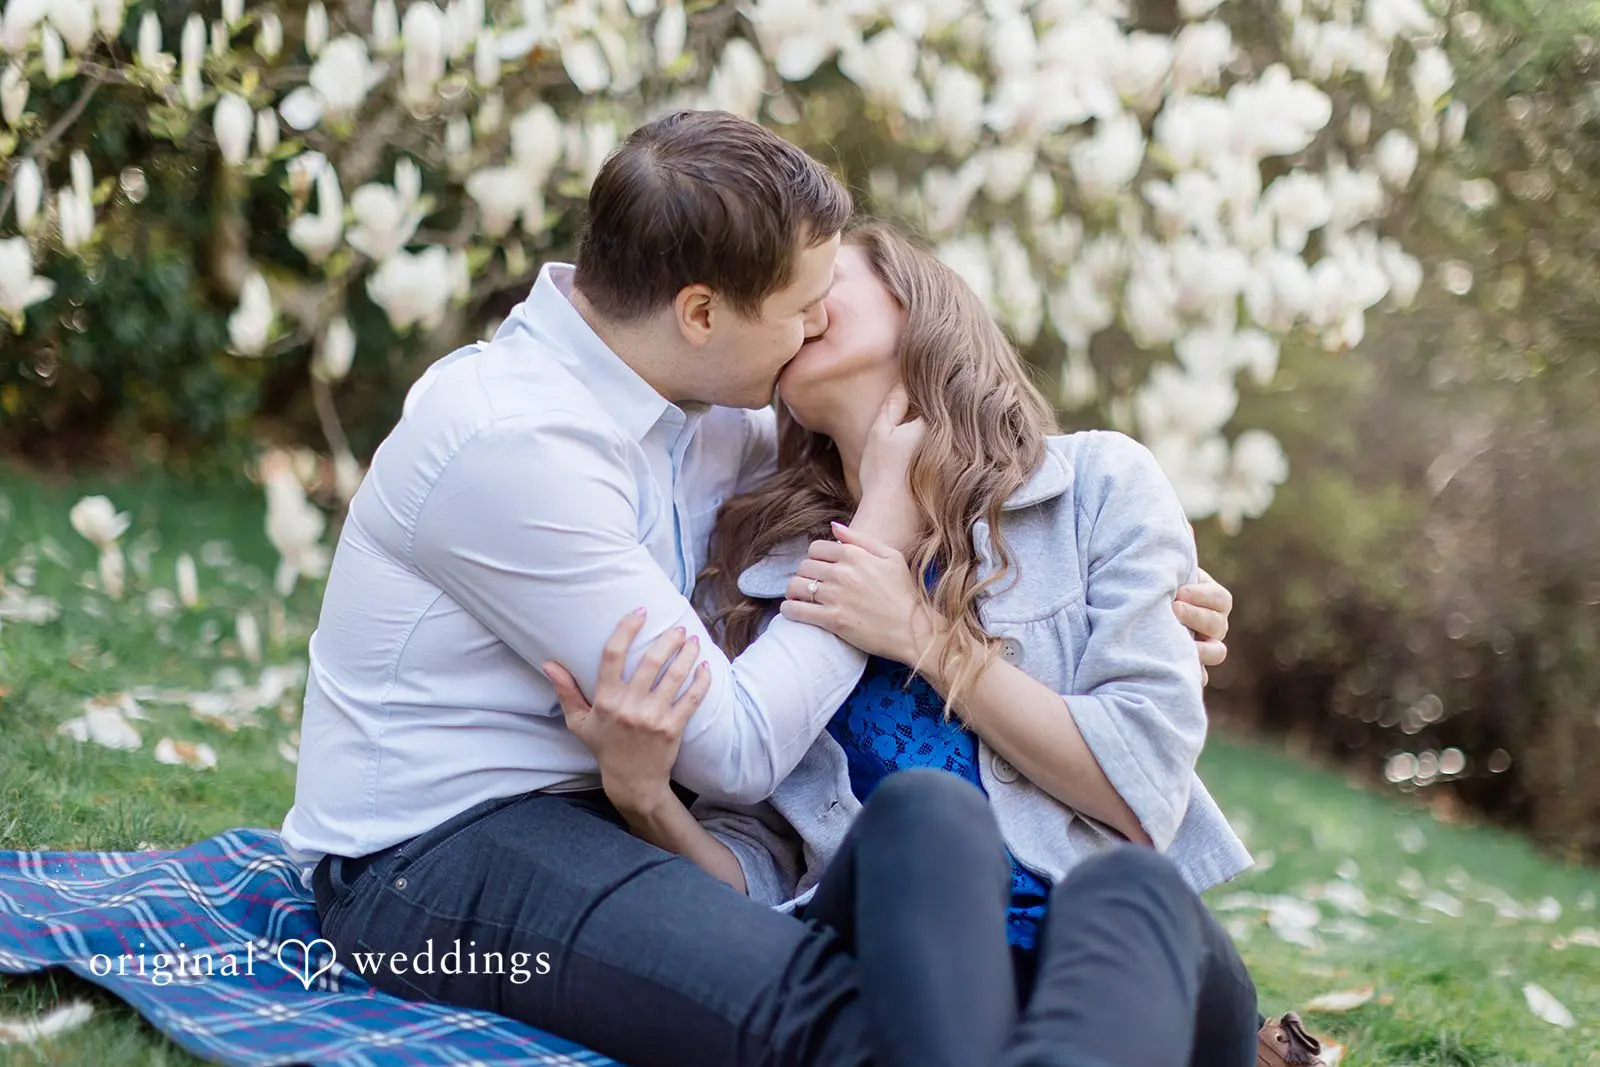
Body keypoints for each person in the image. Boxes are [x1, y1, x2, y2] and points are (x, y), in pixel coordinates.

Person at [284, 110, 1245, 1067]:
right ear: (701, 313)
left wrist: (1163, 584)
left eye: (834, 290)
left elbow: (1136, 756)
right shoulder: (524, 446)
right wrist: (880, 547)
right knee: (852, 972)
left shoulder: (713, 420)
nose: (813, 316)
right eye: (803, 300)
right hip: (435, 851)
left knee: (1113, 896)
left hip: (1052, 903)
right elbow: (740, 759)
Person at [541, 223, 1312, 1067]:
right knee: (925, 811)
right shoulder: (761, 573)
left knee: (1128, 882)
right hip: (912, 981)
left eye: (827, 279)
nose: (798, 304)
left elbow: (1142, 792)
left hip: (1128, 968)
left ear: (918, 303)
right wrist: (645, 796)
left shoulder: (1100, 488)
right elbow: (758, 875)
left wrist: (918, 632)